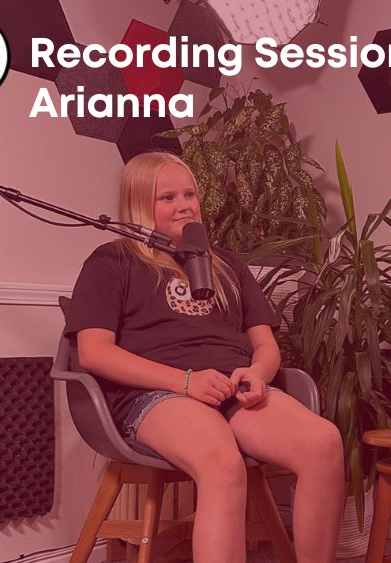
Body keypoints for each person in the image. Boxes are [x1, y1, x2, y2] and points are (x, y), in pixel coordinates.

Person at [64, 151, 343, 563]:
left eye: (189, 194)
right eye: (167, 198)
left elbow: (266, 345)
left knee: (323, 444)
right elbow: (94, 352)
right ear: (139, 204)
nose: (183, 205)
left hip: (232, 387)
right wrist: (185, 382)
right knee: (221, 462)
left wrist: (258, 373)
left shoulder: (227, 264)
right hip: (158, 394)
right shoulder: (112, 261)